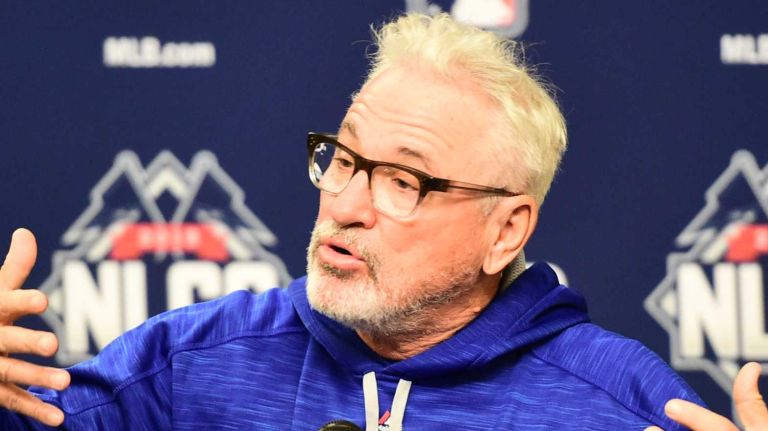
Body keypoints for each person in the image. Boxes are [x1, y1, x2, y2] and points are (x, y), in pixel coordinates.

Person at [0, 12, 765, 430]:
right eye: (343, 157)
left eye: (403, 179)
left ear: (507, 231)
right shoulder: (193, 363)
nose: (347, 201)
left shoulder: (622, 406)